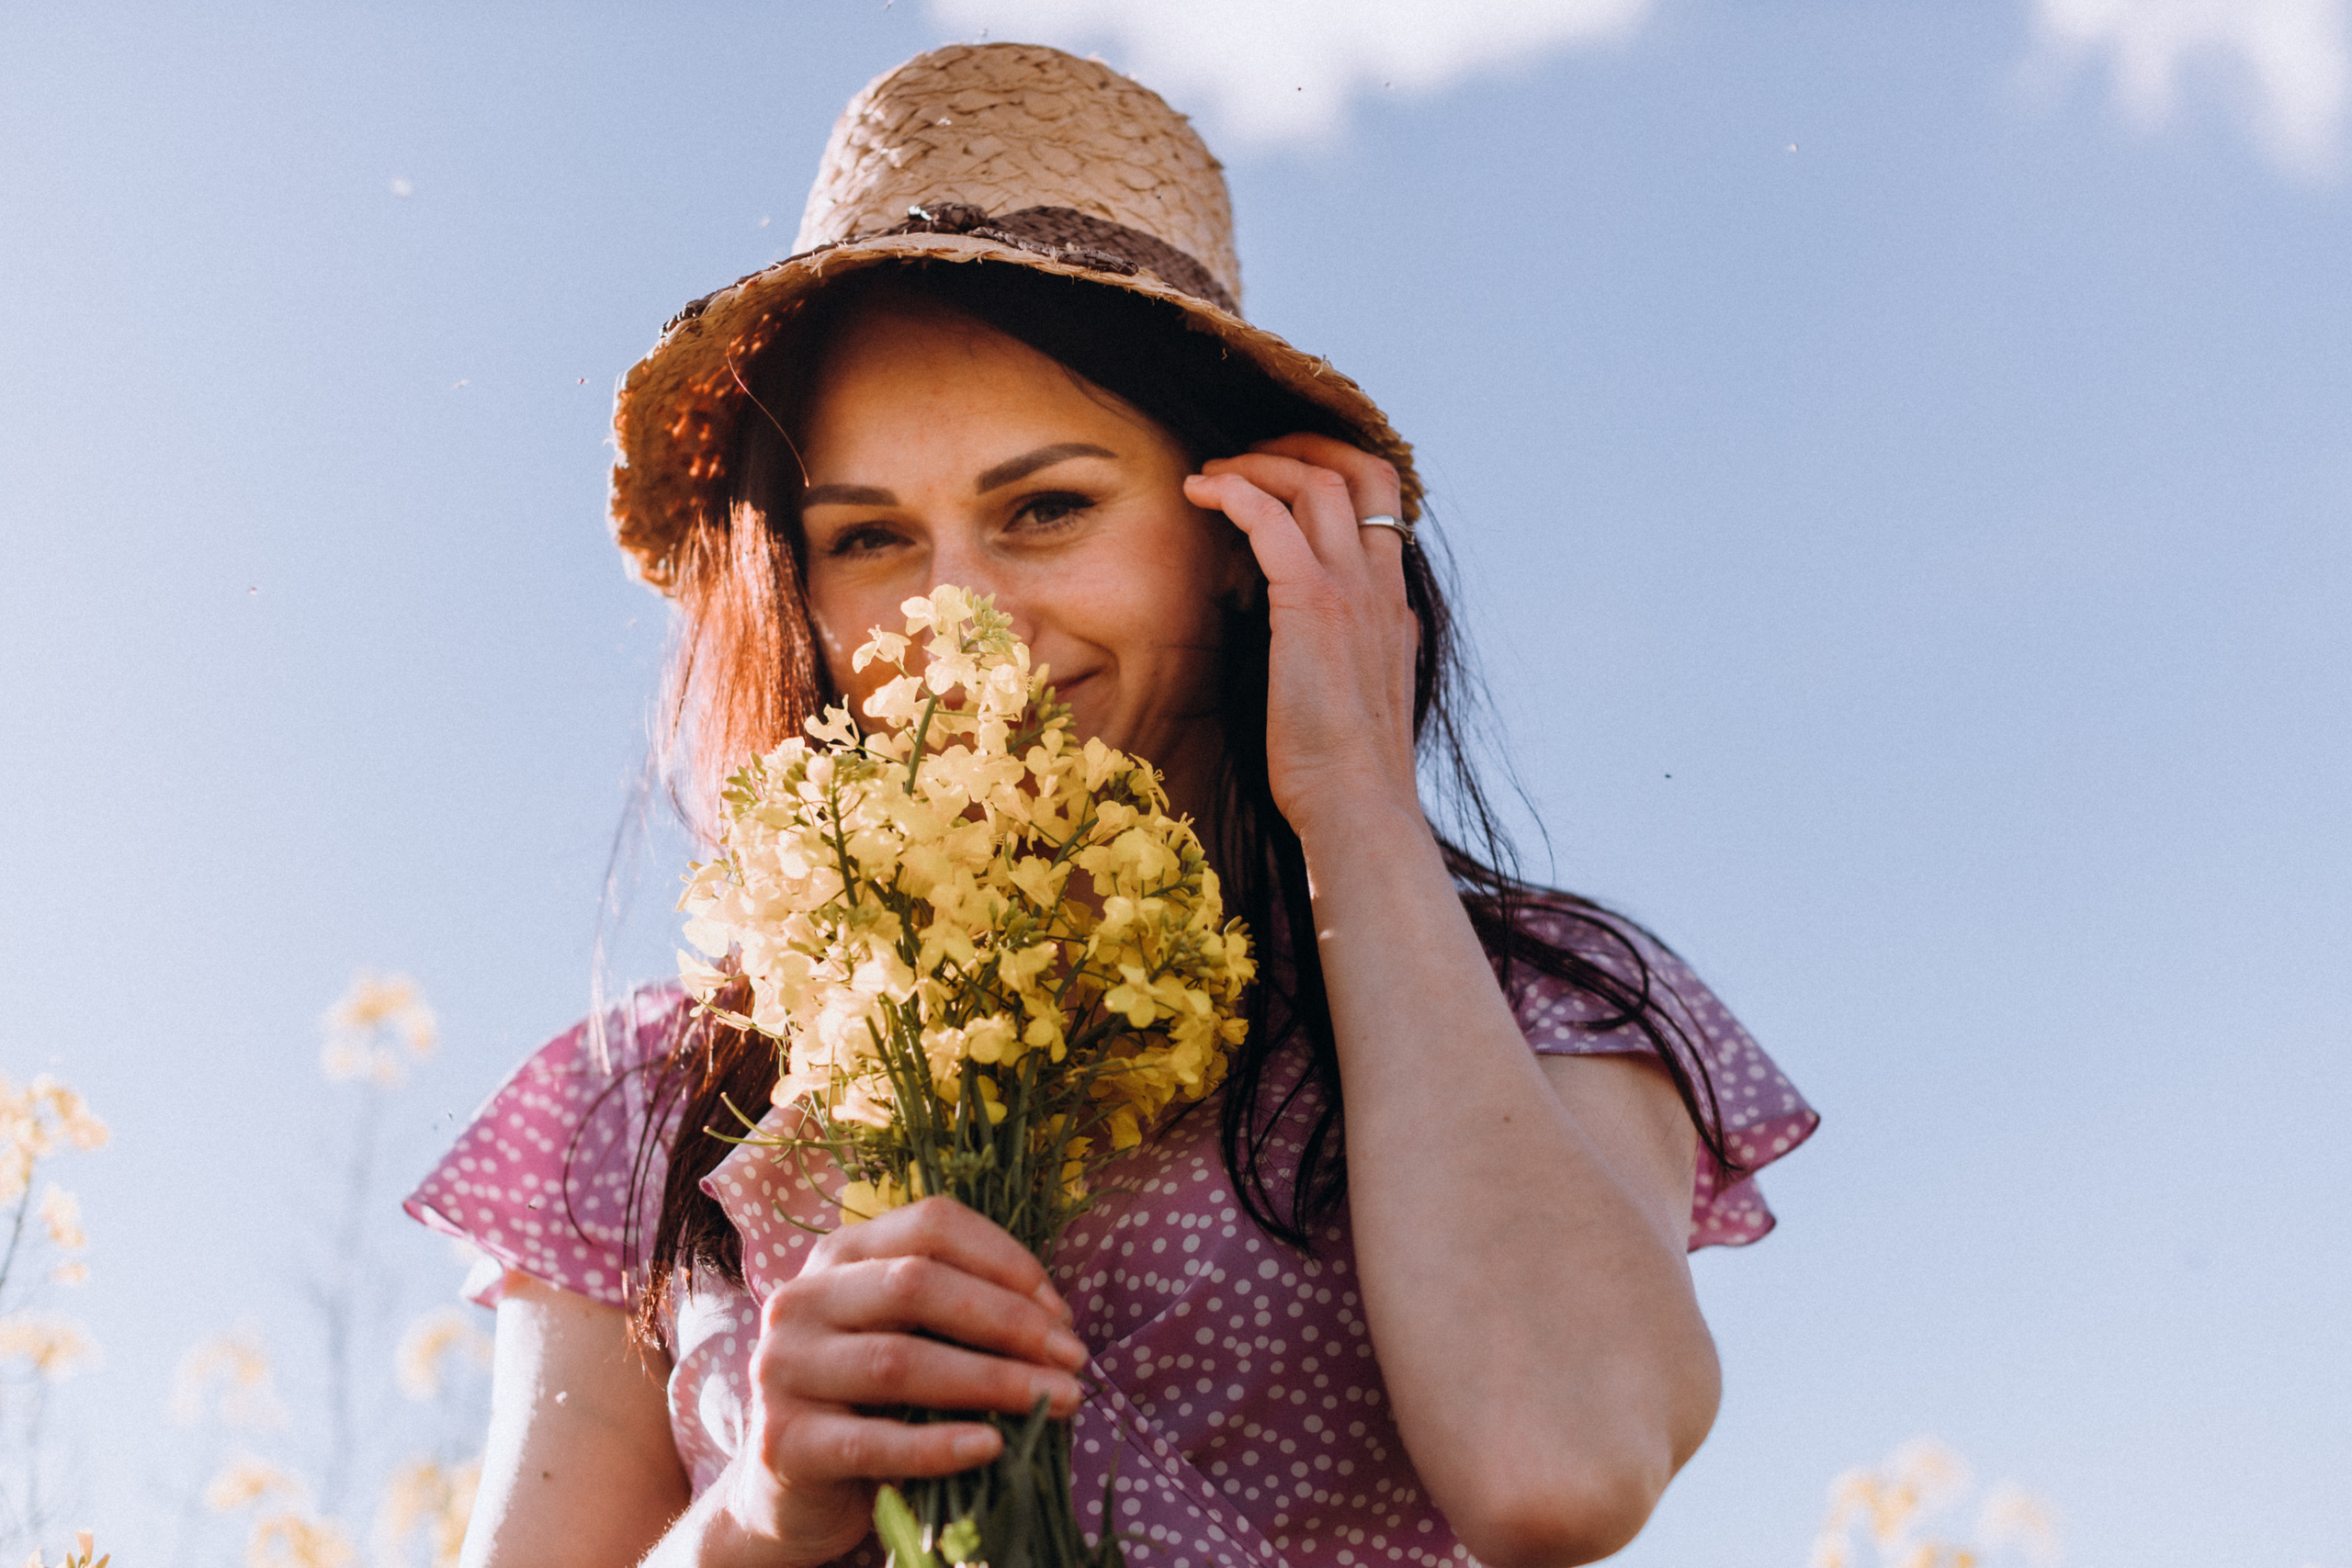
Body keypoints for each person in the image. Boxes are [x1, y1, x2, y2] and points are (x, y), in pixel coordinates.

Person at [406, 42, 1816, 1568]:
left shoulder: (1534, 999)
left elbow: (1561, 1472)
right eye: (868, 538)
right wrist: (757, 1515)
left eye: (1048, 509)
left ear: (1239, 536)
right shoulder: (645, 1102)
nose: (959, 621)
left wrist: (1352, 799)